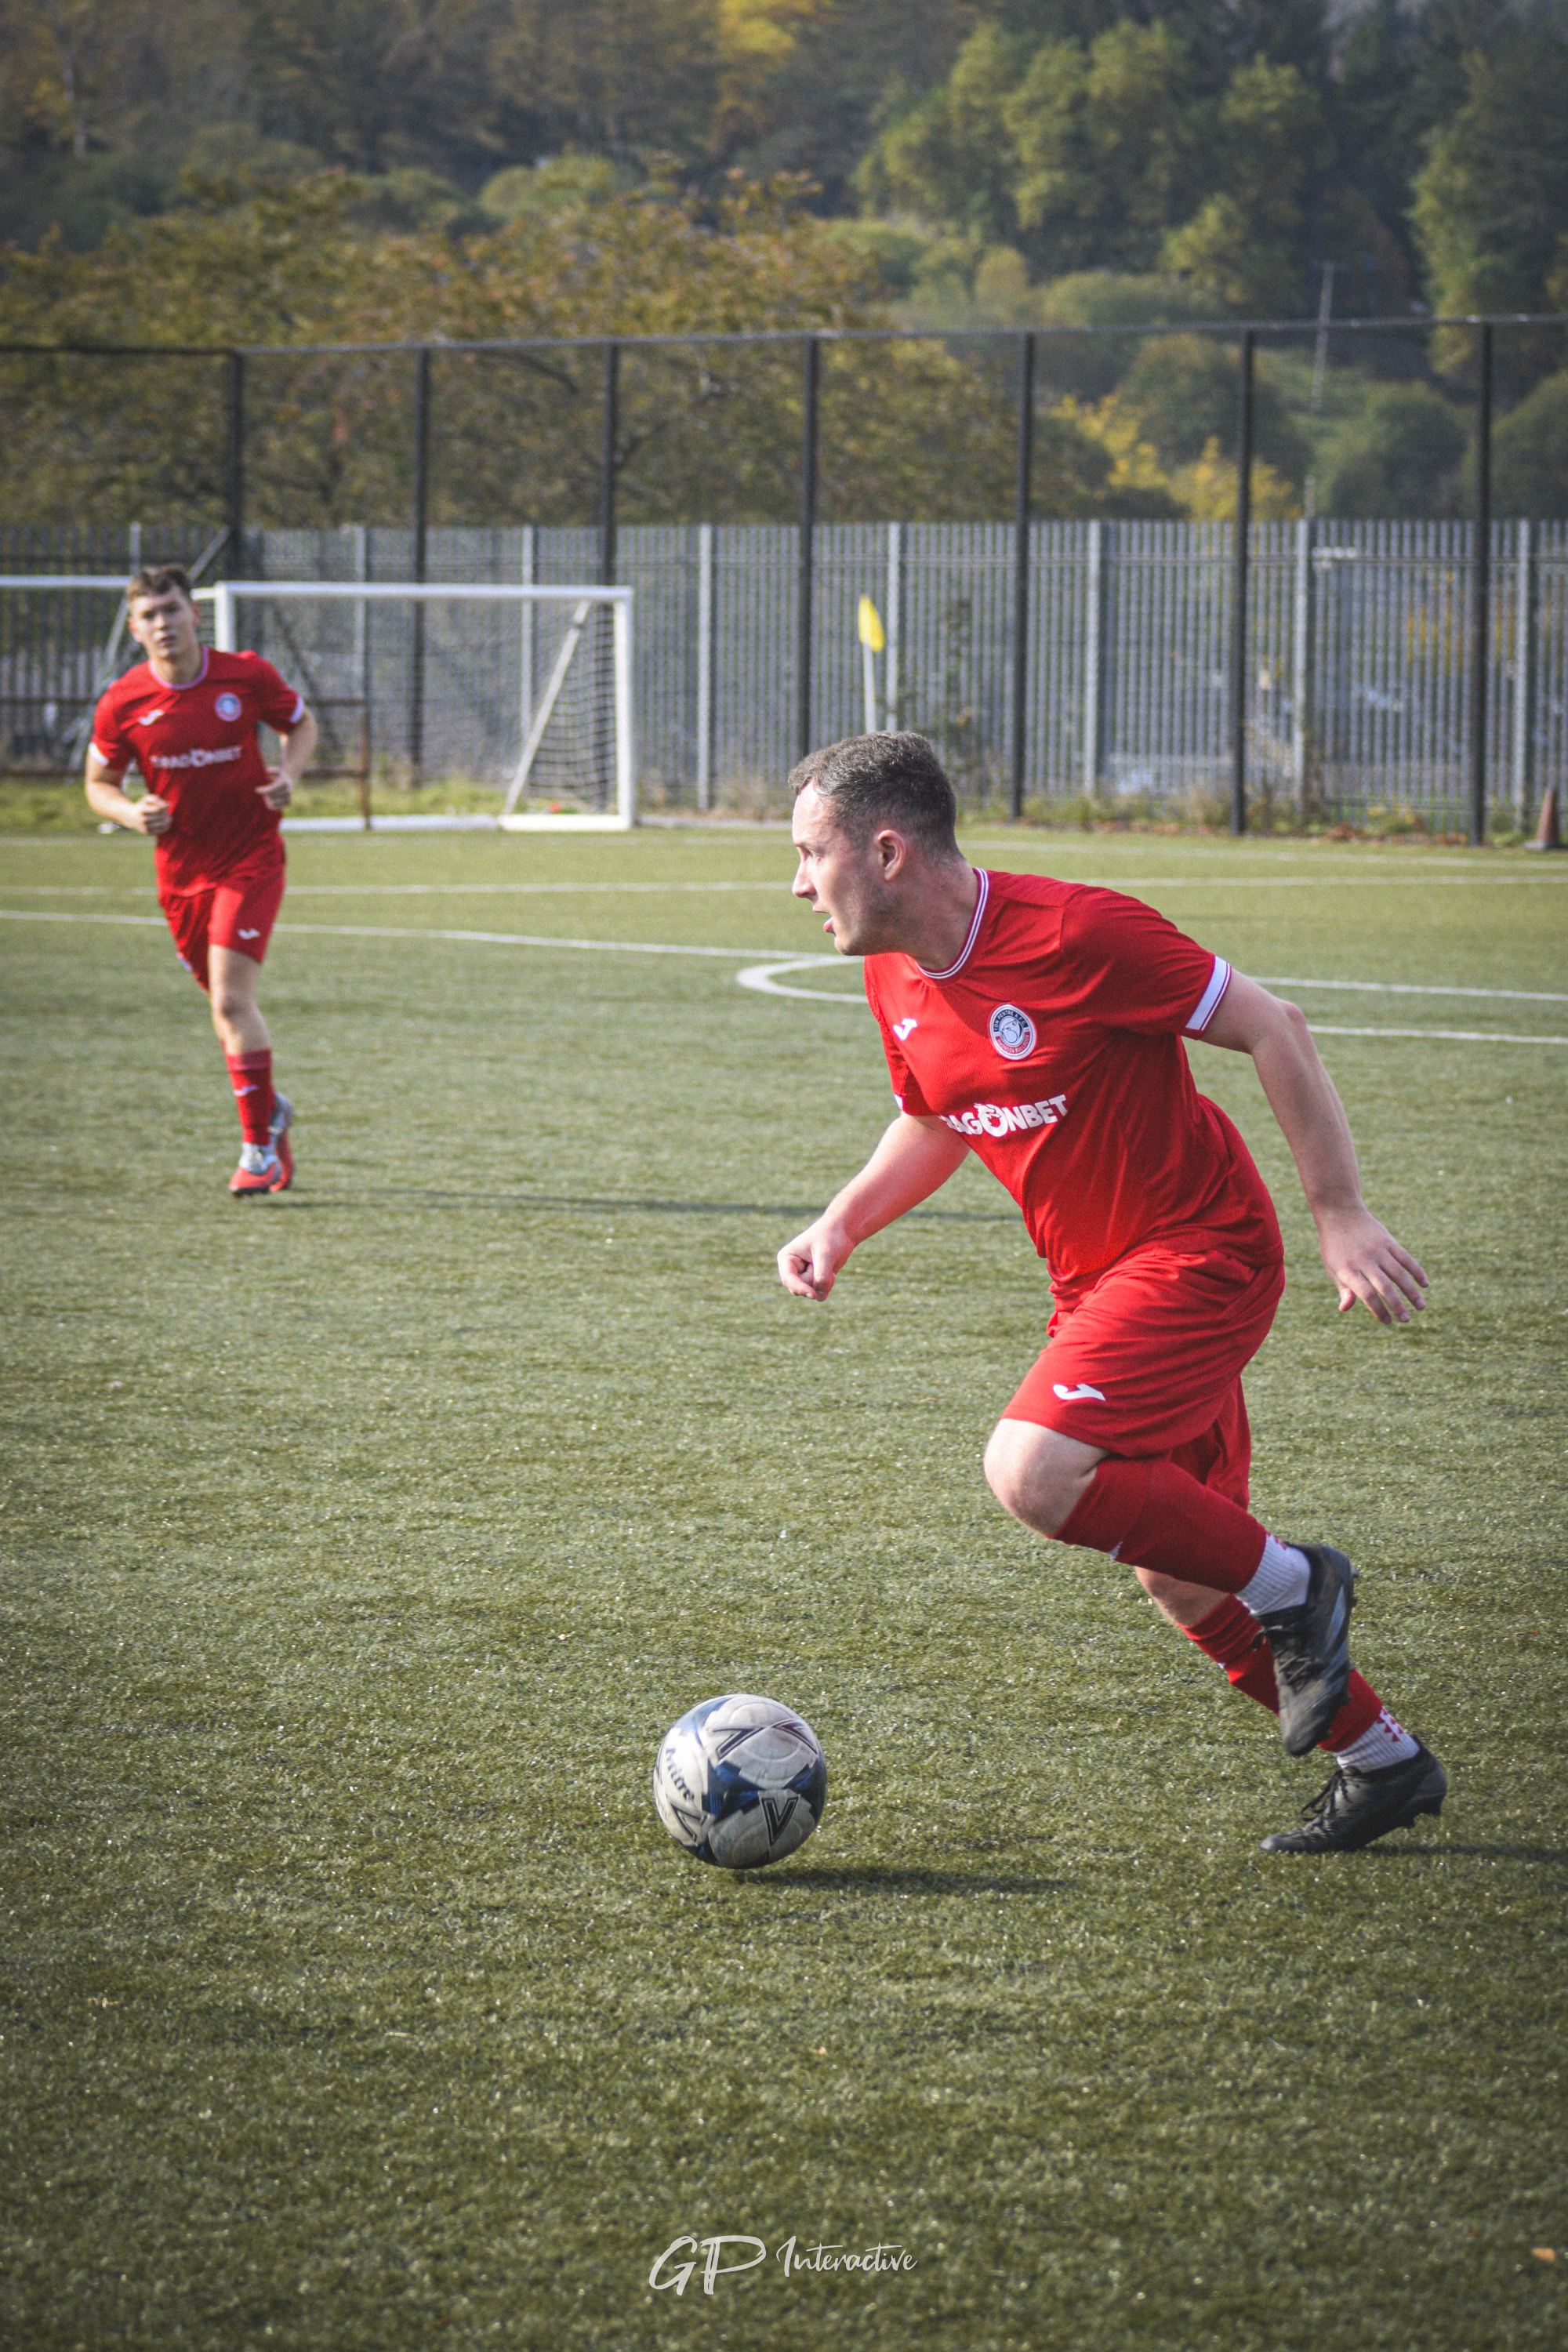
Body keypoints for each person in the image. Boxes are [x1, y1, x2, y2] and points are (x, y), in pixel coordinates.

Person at [776, 732, 1446, 1857]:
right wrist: (843, 1221)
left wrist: (1339, 1211)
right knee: (1182, 1577)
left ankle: (1303, 1582)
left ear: (886, 851)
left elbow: (1273, 1026)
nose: (797, 883)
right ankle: (1385, 1765)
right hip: (1096, 1288)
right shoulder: (894, 973)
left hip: (1203, 1250)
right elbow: (941, 1111)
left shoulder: (1078, 932)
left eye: (809, 853)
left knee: (1032, 1468)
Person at [85, 565, 317, 1196]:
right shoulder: (122, 702)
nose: (164, 624)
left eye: (172, 610)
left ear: (195, 615)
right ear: (135, 630)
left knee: (230, 1001)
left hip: (251, 857)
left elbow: (301, 723)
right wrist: (134, 813)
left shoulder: (244, 675)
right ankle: (269, 1111)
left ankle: (256, 1151)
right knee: (221, 1010)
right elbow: (98, 786)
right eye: (150, 616)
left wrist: (290, 776)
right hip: (181, 874)